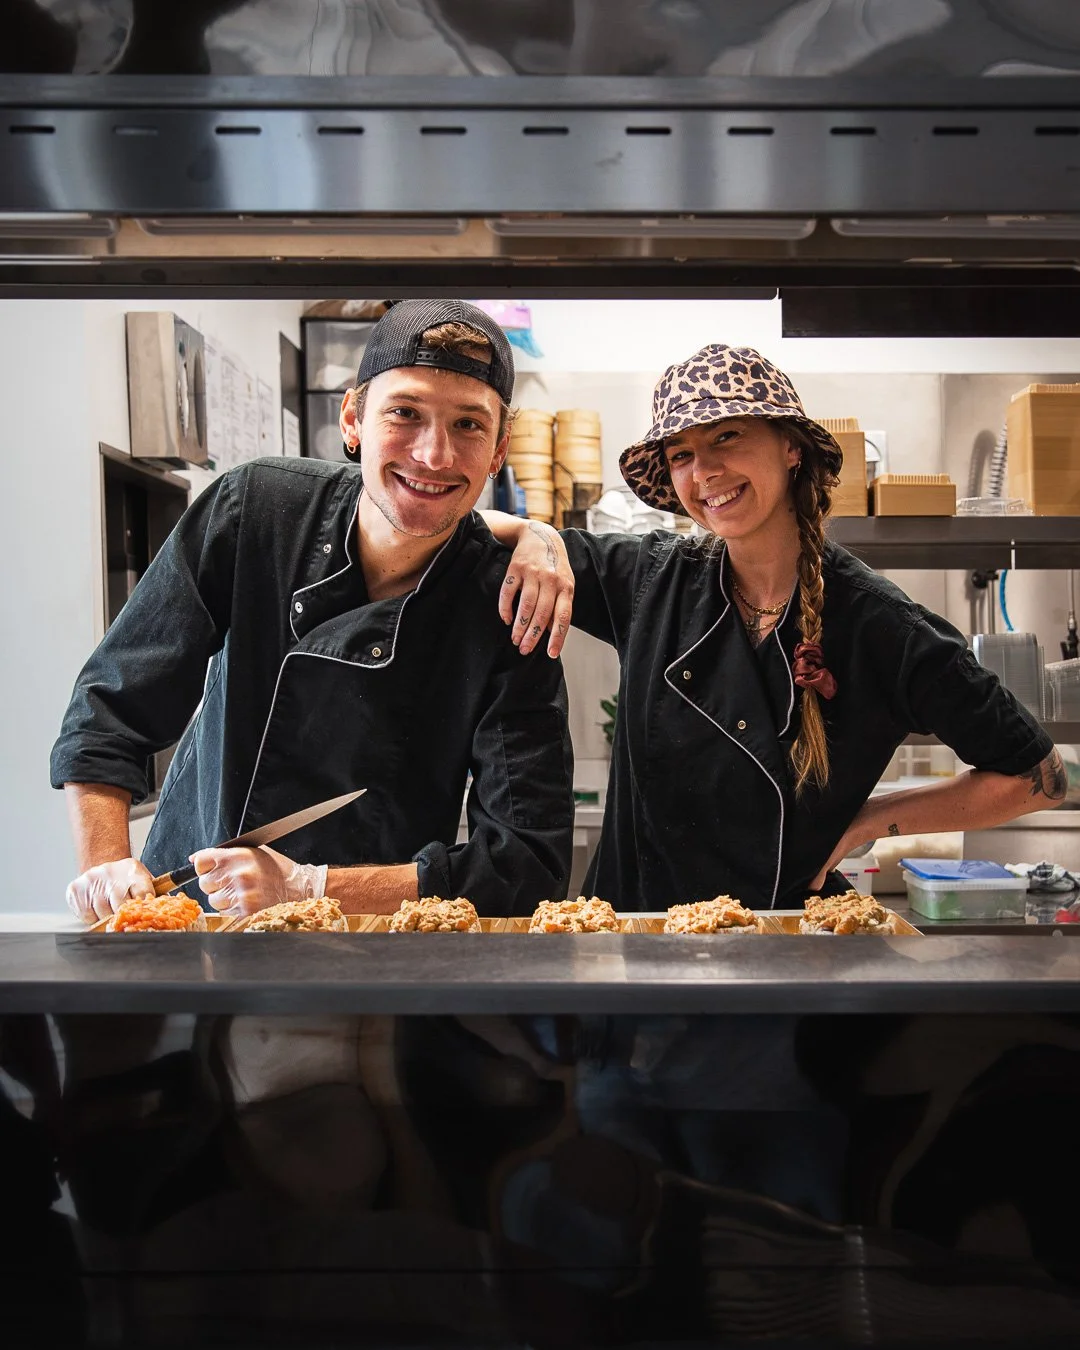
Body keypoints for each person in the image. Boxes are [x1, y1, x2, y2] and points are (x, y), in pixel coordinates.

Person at [484, 344, 1065, 910]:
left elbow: (1038, 774)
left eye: (726, 437)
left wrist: (867, 824)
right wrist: (536, 535)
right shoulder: (649, 579)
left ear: (790, 448)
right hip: (638, 947)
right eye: (681, 454)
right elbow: (465, 532)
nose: (703, 471)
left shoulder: (882, 627)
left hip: (784, 953)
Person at [54, 299, 573, 920]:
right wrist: (103, 866)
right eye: (404, 413)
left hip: (376, 947)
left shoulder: (509, 605)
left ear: (498, 449)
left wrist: (310, 885)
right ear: (352, 418)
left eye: (468, 425)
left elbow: (525, 863)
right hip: (192, 925)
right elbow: (112, 703)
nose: (434, 455)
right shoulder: (257, 510)